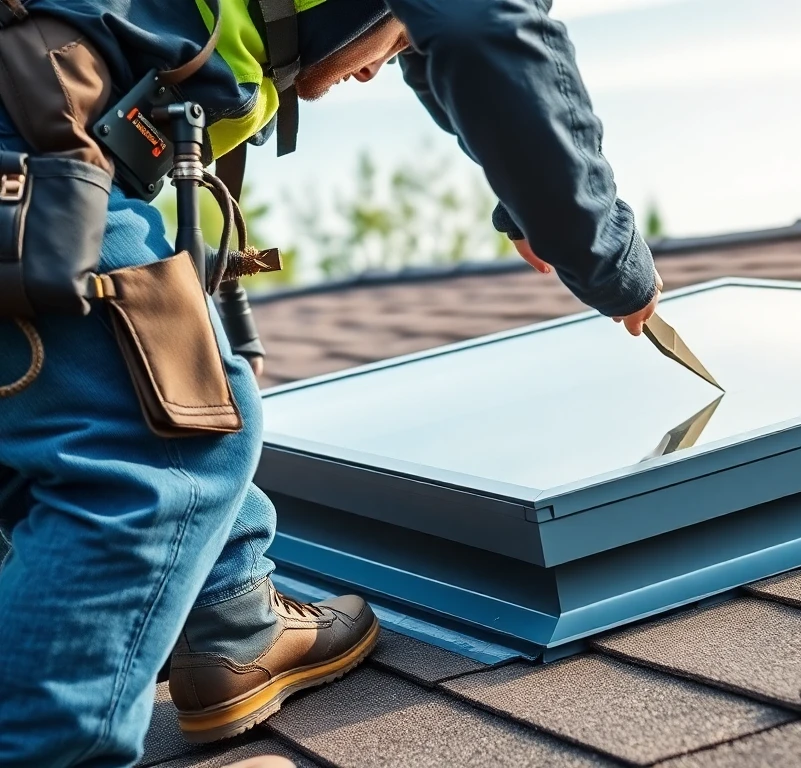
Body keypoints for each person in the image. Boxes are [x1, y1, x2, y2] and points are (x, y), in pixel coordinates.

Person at [0, 1, 660, 765]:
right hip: (27, 144)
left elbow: (438, 38)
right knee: (159, 447)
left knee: (109, 399)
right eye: (395, 42)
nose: (375, 70)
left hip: (39, 128)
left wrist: (525, 204)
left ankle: (230, 613)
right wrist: (604, 253)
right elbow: (481, 26)